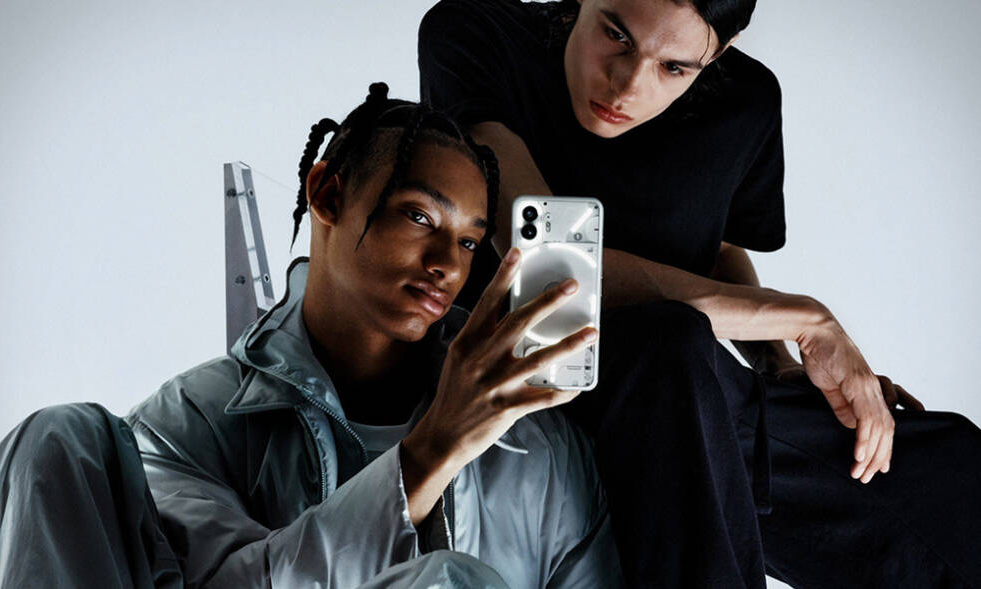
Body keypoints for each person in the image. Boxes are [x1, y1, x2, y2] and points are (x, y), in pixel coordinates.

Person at [418, 1, 981, 587]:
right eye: (616, 35)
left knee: (947, 469)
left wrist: (778, 364)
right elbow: (550, 265)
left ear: (721, 53)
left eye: (674, 68)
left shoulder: (747, 101)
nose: (627, 85)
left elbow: (716, 249)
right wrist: (805, 320)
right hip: (526, 373)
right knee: (669, 340)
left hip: (697, 391)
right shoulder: (476, 32)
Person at [0, 84, 623, 588]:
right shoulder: (188, 421)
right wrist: (434, 449)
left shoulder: (543, 449)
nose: (446, 265)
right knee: (59, 434)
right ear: (326, 194)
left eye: (466, 242)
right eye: (419, 216)